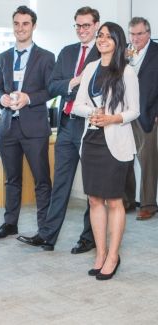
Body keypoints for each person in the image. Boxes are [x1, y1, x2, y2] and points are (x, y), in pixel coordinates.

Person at [17, 7, 100, 252]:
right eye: (78, 25)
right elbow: (52, 87)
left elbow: (99, 88)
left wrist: (71, 86)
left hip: (91, 127)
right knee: (60, 183)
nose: (82, 30)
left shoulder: (104, 51)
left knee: (92, 187)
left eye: (86, 25)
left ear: (96, 25)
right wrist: (74, 82)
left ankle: (89, 237)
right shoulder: (67, 52)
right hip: (66, 125)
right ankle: (47, 235)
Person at [72, 22, 139, 280]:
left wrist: (111, 118)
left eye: (108, 37)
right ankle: (100, 253)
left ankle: (113, 255)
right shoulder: (90, 68)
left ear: (118, 41)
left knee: (113, 200)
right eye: (100, 36)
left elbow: (134, 110)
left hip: (116, 142)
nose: (102, 40)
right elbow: (78, 104)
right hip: (91, 140)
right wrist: (93, 112)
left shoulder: (127, 72)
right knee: (94, 200)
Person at [0, 5, 54, 240]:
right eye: (17, 23)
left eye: (25, 23)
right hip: (8, 128)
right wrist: (2, 98)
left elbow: (51, 90)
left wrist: (28, 98)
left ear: (33, 26)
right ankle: (10, 224)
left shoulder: (46, 57)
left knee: (41, 181)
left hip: (35, 128)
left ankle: (45, 229)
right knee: (12, 179)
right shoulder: (3, 57)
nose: (21, 28)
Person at [124, 17, 158, 220]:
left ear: (148, 33)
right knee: (125, 158)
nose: (135, 38)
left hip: (147, 113)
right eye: (132, 34)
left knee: (148, 161)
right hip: (125, 114)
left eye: (139, 34)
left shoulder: (156, 53)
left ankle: (148, 204)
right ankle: (126, 200)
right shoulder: (125, 53)